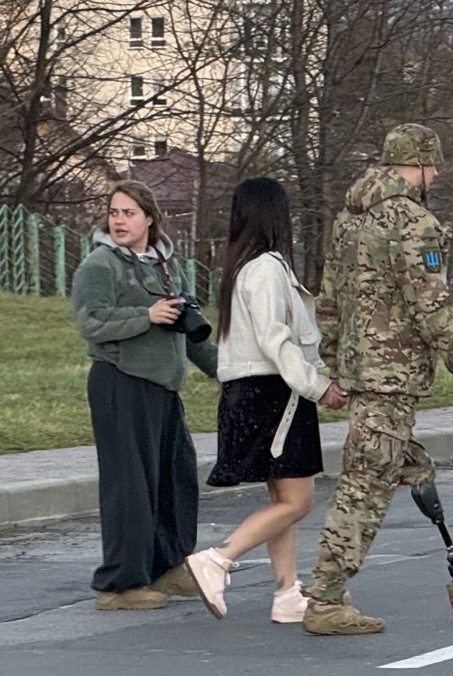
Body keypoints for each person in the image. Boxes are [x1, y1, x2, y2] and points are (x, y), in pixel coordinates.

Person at [301, 123, 453, 636]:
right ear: (416, 166)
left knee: (410, 464)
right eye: (432, 165)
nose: (435, 174)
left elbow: (327, 297)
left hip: (360, 368)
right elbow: (431, 303)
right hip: (391, 375)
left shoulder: (349, 220)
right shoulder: (415, 223)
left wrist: (336, 360)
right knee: (366, 486)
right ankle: (326, 600)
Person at [187, 177, 349, 623]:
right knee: (298, 500)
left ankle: (286, 593)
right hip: (273, 393)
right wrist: (318, 386)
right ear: (276, 216)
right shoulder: (265, 269)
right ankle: (218, 559)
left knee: (282, 497)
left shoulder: (245, 268)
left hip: (253, 391)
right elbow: (277, 341)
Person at [71, 179, 218, 611]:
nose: (119, 221)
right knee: (129, 487)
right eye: (114, 213)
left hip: (162, 387)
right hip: (120, 381)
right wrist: (145, 314)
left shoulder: (164, 265)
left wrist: (223, 372)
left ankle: (167, 567)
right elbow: (90, 322)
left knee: (176, 479)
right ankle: (119, 584)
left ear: (149, 218)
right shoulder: (99, 265)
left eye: (129, 213)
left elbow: (189, 330)